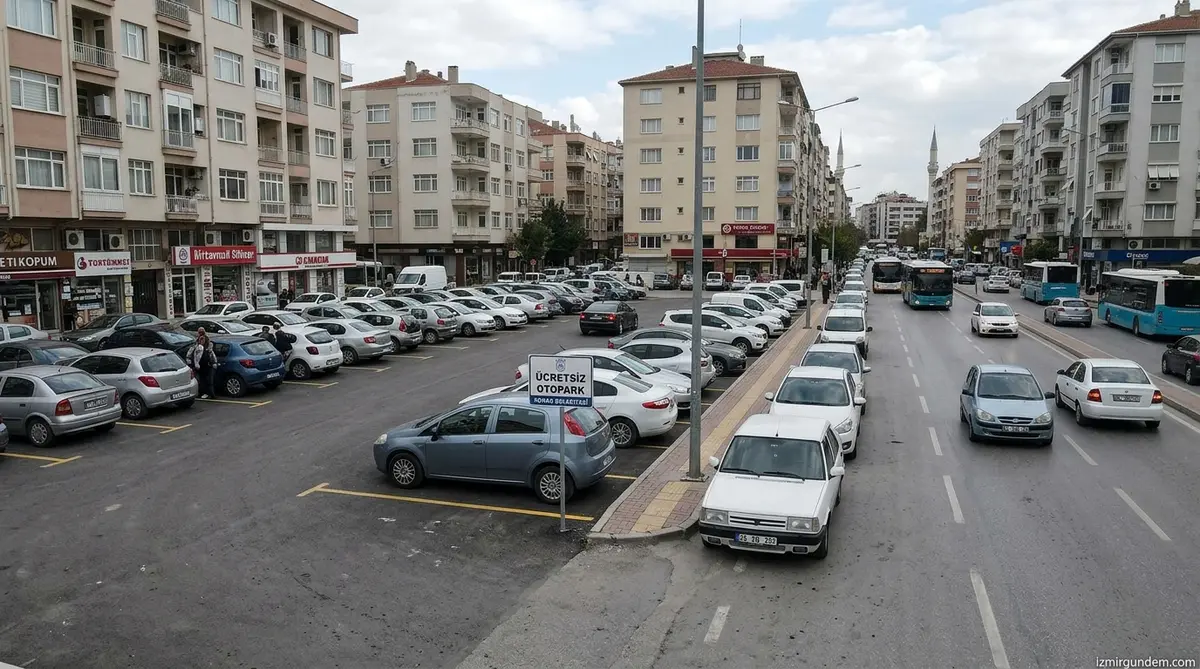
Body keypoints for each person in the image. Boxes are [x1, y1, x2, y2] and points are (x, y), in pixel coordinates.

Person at [190, 329, 217, 399]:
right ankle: (204, 393)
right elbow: (194, 356)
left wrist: (214, 363)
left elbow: (212, 355)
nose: (201, 340)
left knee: (208, 381)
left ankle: (211, 394)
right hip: (201, 367)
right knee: (202, 381)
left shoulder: (208, 346)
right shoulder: (197, 346)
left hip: (208, 366)